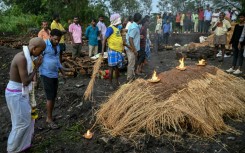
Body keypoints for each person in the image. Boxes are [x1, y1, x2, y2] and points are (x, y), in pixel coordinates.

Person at [5, 37, 46, 152]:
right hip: (15, 94)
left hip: (20, 93)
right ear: (34, 48)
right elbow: (26, 81)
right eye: (41, 50)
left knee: (27, 120)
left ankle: (22, 146)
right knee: (21, 124)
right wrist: (36, 67)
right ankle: (12, 149)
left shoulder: (27, 57)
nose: (41, 53)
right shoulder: (22, 58)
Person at [39, 29, 67, 129]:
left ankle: (50, 116)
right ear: (50, 36)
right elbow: (36, 58)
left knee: (53, 96)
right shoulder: (44, 45)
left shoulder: (58, 46)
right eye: (55, 39)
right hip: (46, 74)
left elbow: (57, 61)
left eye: (58, 40)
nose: (57, 41)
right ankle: (49, 119)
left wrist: (63, 73)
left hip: (54, 74)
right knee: (50, 97)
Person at [101, 13, 124, 89]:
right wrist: (102, 51)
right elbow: (104, 39)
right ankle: (110, 84)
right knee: (111, 68)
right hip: (112, 51)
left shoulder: (117, 28)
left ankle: (117, 82)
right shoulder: (110, 28)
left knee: (117, 68)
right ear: (115, 21)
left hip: (118, 51)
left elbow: (122, 25)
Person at [126, 13, 142, 81]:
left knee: (132, 63)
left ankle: (132, 76)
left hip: (132, 48)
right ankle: (129, 79)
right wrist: (134, 50)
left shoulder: (133, 25)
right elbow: (130, 39)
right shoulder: (134, 27)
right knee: (131, 64)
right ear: (139, 19)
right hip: (131, 49)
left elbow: (132, 37)